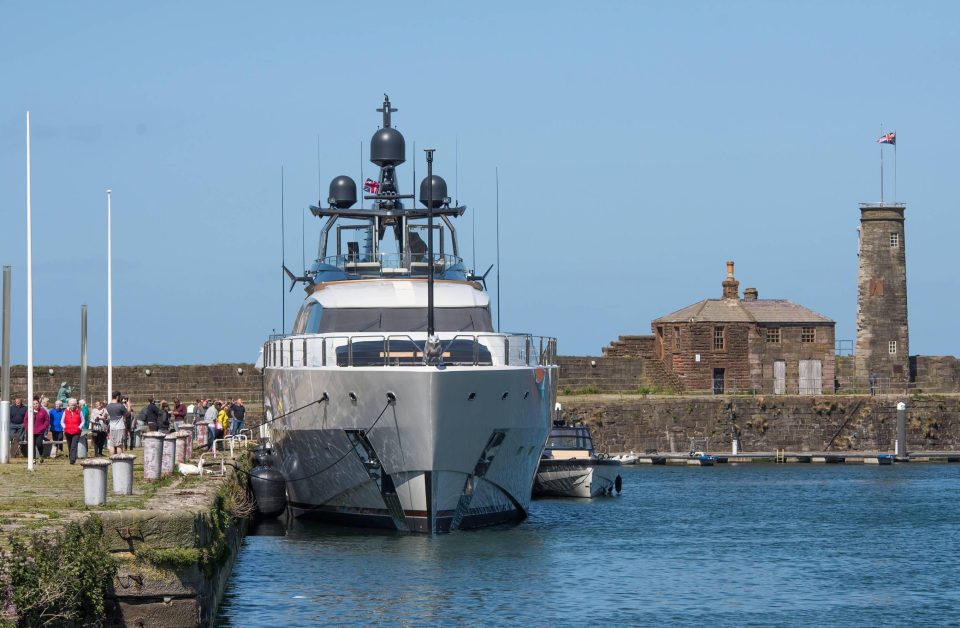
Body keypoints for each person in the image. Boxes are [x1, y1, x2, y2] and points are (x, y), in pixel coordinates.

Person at [62, 398, 83, 464]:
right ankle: (71, 456)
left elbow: (83, 421)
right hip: (68, 431)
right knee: (69, 445)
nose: (73, 407)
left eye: (74, 405)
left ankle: (72, 460)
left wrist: (79, 427)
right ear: (69, 405)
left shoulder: (79, 411)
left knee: (74, 445)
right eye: (71, 405)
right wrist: (65, 427)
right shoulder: (65, 411)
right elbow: (62, 421)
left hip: (76, 432)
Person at [32, 396, 50, 462]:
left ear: (39, 404)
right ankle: (33, 459)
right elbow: (26, 420)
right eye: (34, 404)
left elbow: (47, 420)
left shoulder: (43, 411)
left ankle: (41, 455)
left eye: (36, 403)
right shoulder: (30, 411)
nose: (35, 405)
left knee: (39, 444)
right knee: (32, 445)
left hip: (39, 432)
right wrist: (27, 427)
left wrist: (44, 426)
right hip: (31, 431)